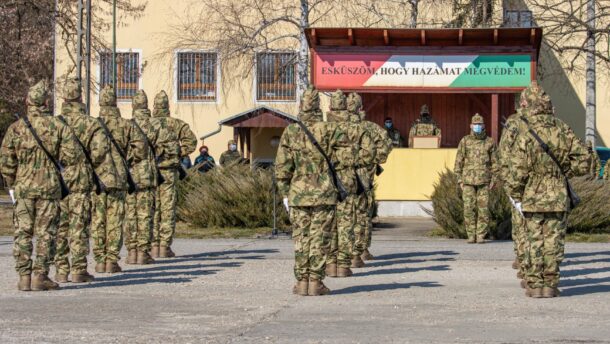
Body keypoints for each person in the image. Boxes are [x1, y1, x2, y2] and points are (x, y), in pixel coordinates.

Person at [504, 82, 590, 298]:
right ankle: (550, 285)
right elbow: (584, 160)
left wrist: (516, 193)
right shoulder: (561, 128)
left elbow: (517, 170)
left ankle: (534, 285)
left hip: (532, 196)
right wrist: (565, 172)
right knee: (554, 242)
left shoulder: (526, 131)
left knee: (534, 240)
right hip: (558, 196)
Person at [0, 80, 79, 291]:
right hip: (49, 187)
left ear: (27, 101)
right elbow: (72, 157)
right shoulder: (58, 126)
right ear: (46, 102)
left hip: (24, 187)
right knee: (46, 233)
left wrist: (13, 182)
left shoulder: (16, 128)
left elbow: (6, 162)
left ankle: (24, 276)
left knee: (23, 232)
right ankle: (40, 275)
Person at [275, 85, 346, 296]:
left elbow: (282, 167)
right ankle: (316, 282)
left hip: (298, 194)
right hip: (324, 193)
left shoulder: (291, 131)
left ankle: (301, 282)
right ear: (318, 106)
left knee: (301, 239)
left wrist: (285, 193)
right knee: (319, 238)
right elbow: (344, 159)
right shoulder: (329, 129)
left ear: (301, 106)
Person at [54, 78, 116, 283]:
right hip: (81, 179)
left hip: (58, 179)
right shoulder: (91, 123)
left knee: (60, 225)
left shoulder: (54, 123)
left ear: (63, 97)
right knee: (79, 224)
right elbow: (100, 152)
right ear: (81, 97)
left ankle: (61, 269)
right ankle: (79, 269)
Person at [93, 85, 146, 273]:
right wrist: (128, 158)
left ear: (100, 102)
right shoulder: (126, 125)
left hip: (97, 179)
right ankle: (111, 261)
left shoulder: (93, 124)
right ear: (115, 102)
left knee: (98, 220)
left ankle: (99, 260)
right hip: (118, 177)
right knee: (115, 220)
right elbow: (141, 148)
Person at [149, 91, 197, 258]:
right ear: (167, 106)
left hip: (151, 171)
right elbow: (191, 142)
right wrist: (178, 154)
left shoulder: (146, 124)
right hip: (169, 171)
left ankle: (153, 244)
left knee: (153, 208)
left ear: (154, 106)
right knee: (168, 208)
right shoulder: (176, 124)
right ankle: (164, 246)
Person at [325, 90, 360, 278]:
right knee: (346, 223)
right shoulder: (356, 125)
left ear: (331, 106)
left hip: (327, 179)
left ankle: (330, 264)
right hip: (347, 178)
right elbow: (373, 150)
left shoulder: (322, 125)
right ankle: (344, 265)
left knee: (329, 223)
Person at [124, 89, 158, 265]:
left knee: (131, 215)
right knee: (145, 214)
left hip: (130, 176)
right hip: (147, 176)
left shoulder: (126, 126)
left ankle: (131, 251)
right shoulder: (154, 126)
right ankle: (143, 252)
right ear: (146, 105)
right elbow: (165, 149)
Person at [346, 93, 381, 264]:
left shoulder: (334, 126)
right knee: (362, 214)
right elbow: (385, 145)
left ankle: (342, 256)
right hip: (363, 177)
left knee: (344, 216)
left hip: (340, 178)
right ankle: (359, 252)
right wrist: (371, 162)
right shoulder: (369, 127)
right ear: (361, 108)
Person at [454, 114, 498, 244]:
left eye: (480, 124)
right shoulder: (465, 141)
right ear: (471, 125)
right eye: (475, 124)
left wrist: (494, 180)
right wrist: (459, 180)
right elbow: (458, 161)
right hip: (468, 182)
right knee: (468, 208)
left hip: (484, 182)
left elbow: (496, 163)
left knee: (483, 209)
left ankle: (480, 236)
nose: (477, 126)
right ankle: (471, 235)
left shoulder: (490, 142)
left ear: (484, 126)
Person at [498, 105, 529, 281]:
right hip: (544, 185)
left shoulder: (514, 121)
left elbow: (504, 151)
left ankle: (523, 258)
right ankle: (536, 265)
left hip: (518, 179)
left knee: (520, 220)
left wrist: (507, 177)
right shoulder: (552, 123)